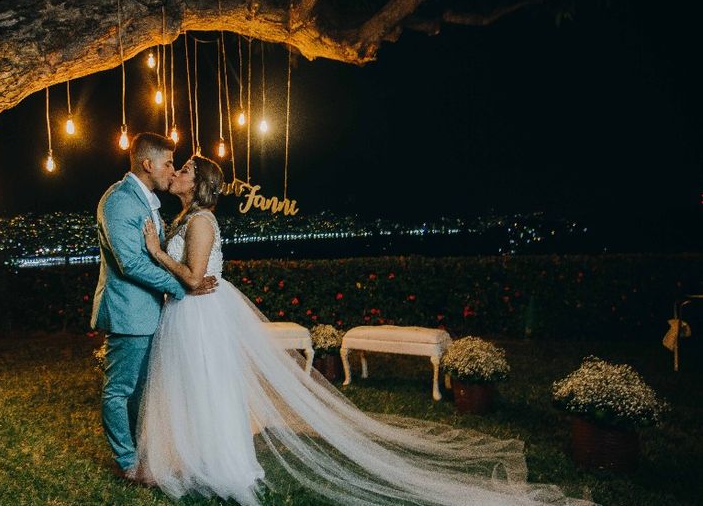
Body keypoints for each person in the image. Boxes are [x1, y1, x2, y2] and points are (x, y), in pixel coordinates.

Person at [131, 154, 594, 506]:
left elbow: (193, 278)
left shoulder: (201, 221)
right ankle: (194, 454)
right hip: (188, 315)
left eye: (186, 168)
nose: (180, 172)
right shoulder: (186, 218)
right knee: (193, 388)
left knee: (206, 386)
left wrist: (154, 252)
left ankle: (215, 461)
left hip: (198, 315)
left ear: (202, 185)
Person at [90, 133, 215, 478]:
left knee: (142, 390)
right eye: (169, 163)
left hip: (150, 313)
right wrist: (181, 287)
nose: (172, 171)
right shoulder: (120, 201)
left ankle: (142, 450)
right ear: (148, 164)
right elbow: (130, 263)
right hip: (129, 313)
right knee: (119, 390)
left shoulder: (145, 200)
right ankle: (127, 463)